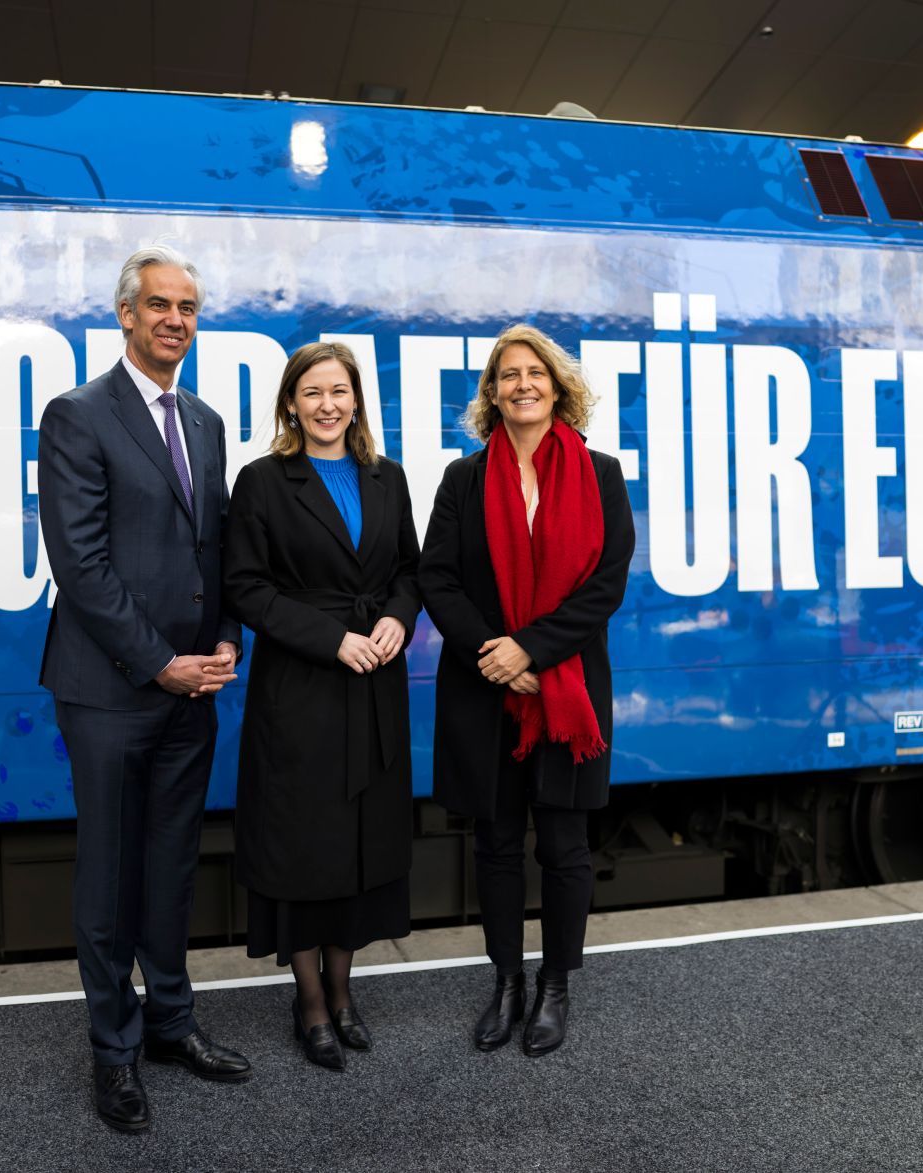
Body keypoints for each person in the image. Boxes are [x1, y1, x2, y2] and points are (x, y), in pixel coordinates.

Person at [37, 244, 251, 1133]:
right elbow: (80, 566)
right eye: (159, 304)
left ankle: (170, 1021)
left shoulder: (204, 420)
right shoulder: (77, 414)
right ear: (126, 313)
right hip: (111, 691)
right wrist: (161, 661)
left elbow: (217, 547)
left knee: (170, 865)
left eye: (188, 307)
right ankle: (114, 1051)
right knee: (110, 874)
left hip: (191, 689)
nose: (175, 320)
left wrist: (227, 637)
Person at [417, 324, 634, 1058]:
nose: (523, 385)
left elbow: (605, 584)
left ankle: (556, 986)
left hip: (566, 689)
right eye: (508, 375)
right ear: (492, 392)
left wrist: (532, 649)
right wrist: (497, 656)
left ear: (557, 385)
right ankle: (506, 982)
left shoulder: (601, 474)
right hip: (486, 687)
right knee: (497, 843)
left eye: (535, 373)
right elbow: (437, 577)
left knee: (566, 846)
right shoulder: (464, 479)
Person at [224, 341, 421, 1072]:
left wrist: (399, 616)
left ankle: (343, 992)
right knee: (306, 846)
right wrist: (332, 638)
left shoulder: (388, 476)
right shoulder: (263, 481)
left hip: (374, 683)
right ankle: (310, 1002)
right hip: (302, 688)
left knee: (362, 841)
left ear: (357, 400)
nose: (327, 405)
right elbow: (246, 588)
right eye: (312, 392)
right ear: (290, 403)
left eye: (339, 391)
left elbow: (410, 569)